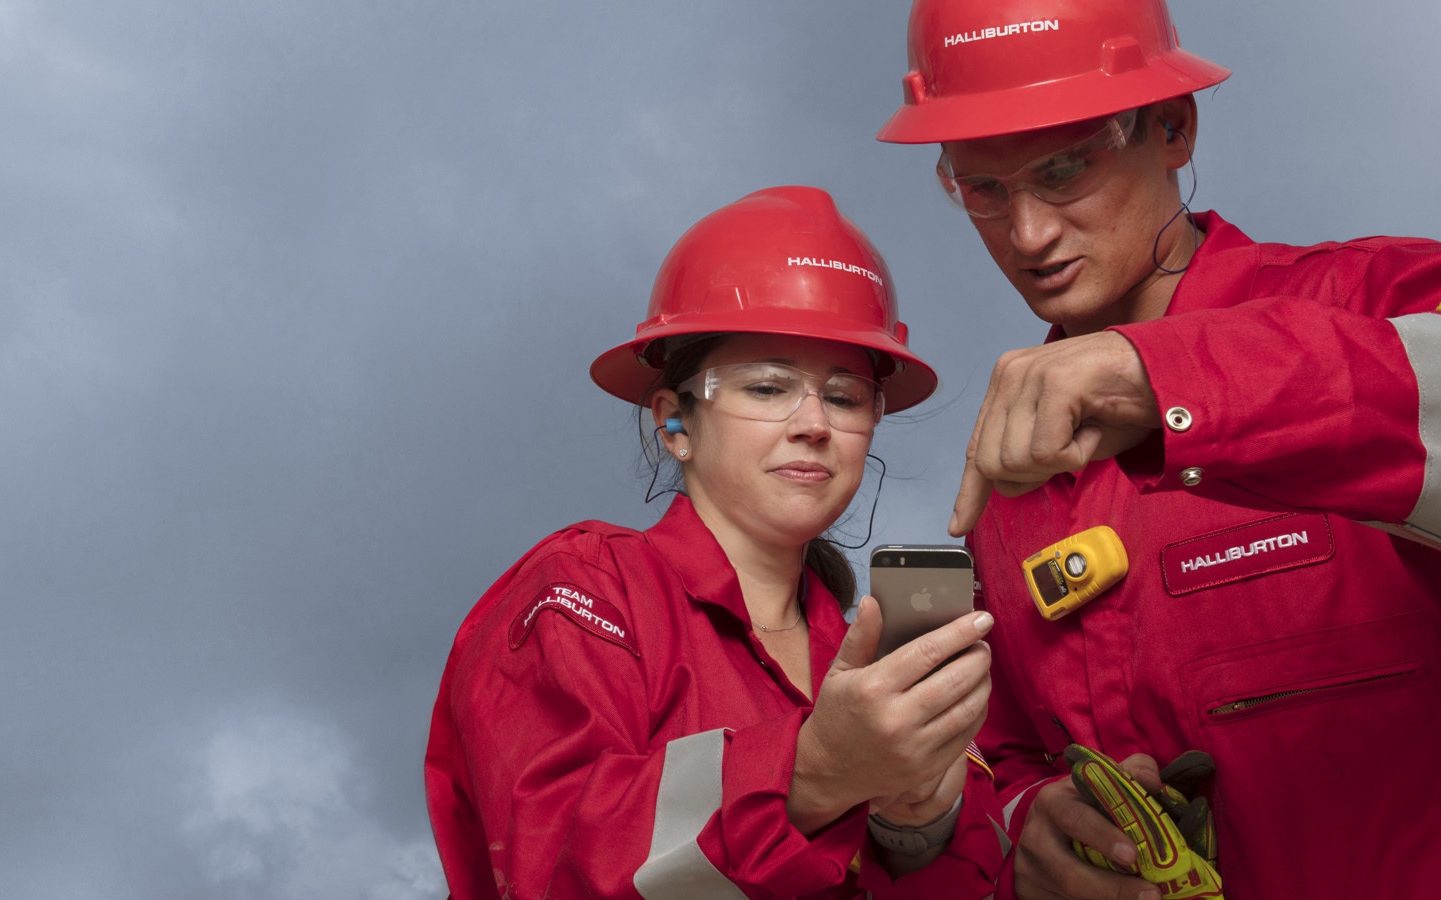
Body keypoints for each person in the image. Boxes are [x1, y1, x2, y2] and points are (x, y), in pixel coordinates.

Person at [874, 1, 1441, 898]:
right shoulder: (1013, 475)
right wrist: (1029, 821)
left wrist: (1175, 378)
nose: (1027, 235)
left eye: (1064, 170)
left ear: (1173, 128)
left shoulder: (1373, 302)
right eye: (983, 189)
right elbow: (1005, 749)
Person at [424, 186, 1009, 899]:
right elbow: (553, 861)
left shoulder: (870, 668)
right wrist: (815, 770)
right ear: (676, 424)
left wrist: (917, 825)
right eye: (768, 388)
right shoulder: (585, 587)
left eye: (846, 396)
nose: (813, 423)